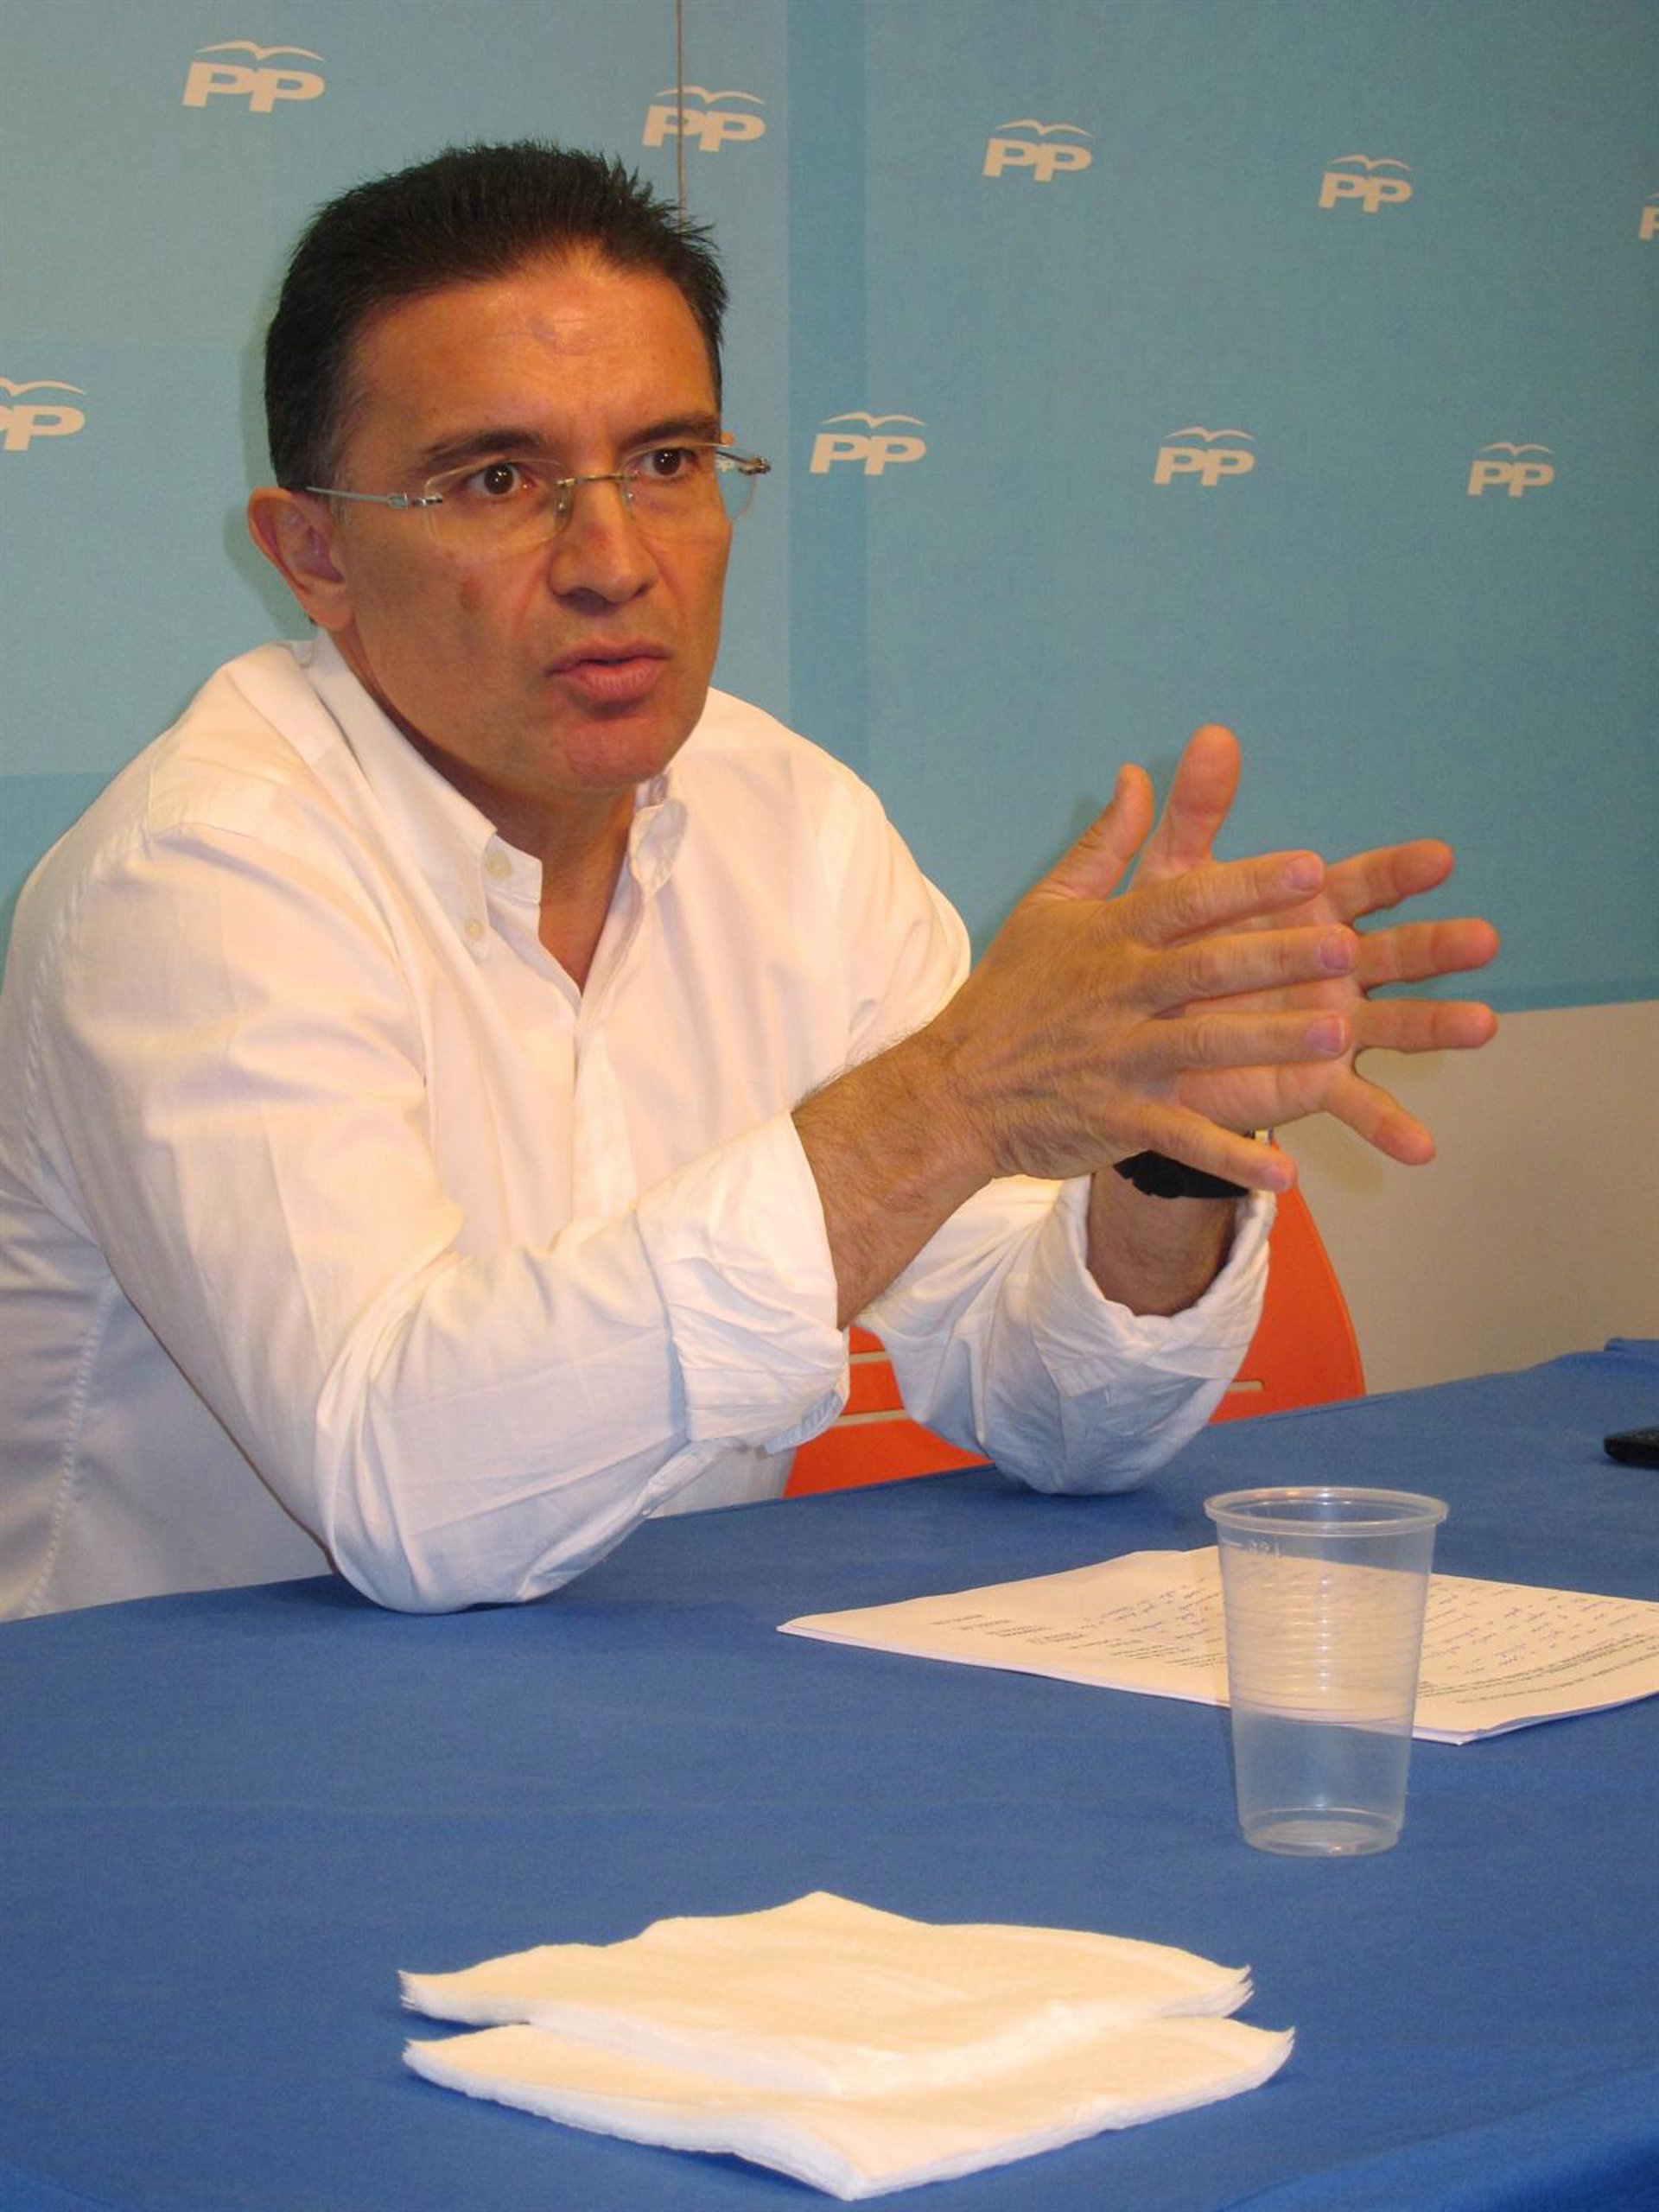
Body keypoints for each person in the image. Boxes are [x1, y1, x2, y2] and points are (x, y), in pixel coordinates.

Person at [0, 143, 1498, 1620]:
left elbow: (1051, 1411)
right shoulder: (196, 876)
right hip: (187, 1741)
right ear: (314, 554)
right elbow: (406, 1490)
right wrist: (955, 1099)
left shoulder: (791, 822)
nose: (612, 559)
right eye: (501, 479)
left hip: (653, 1705)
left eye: (667, 463)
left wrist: (1165, 1149)